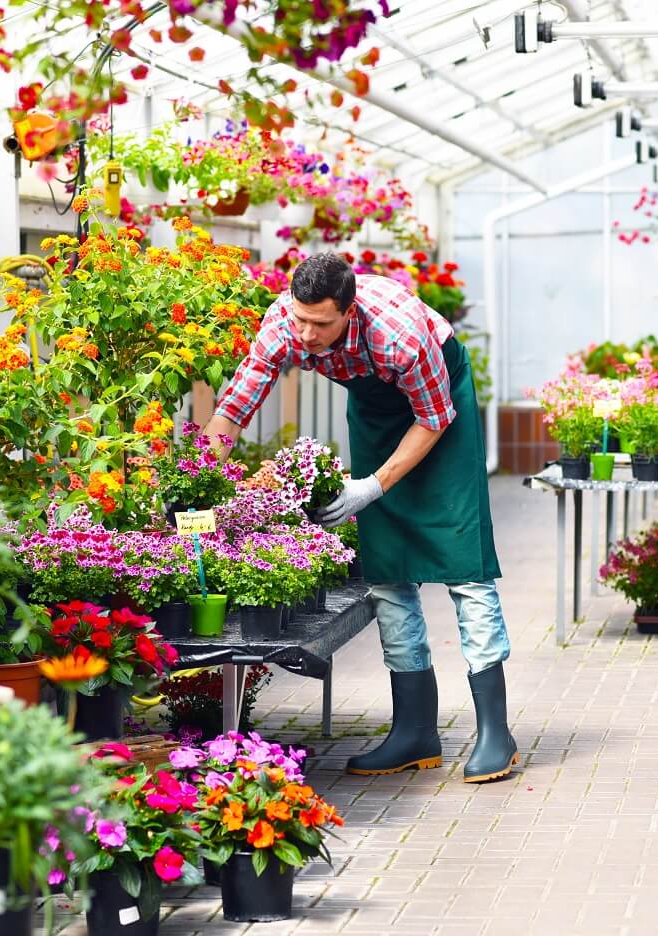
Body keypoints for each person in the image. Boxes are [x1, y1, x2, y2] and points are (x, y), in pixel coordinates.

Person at [203, 252, 517, 783]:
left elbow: (434, 417)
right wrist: (198, 475)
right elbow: (235, 407)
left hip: (439, 411)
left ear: (349, 311)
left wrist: (371, 486)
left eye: (320, 324)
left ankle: (495, 731)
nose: (304, 334)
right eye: (299, 318)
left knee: (464, 566)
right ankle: (415, 730)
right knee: (387, 570)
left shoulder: (399, 334)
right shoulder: (286, 322)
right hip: (375, 412)